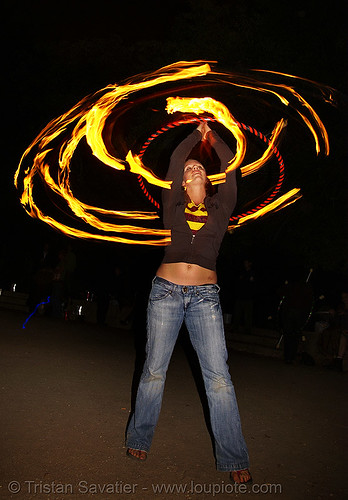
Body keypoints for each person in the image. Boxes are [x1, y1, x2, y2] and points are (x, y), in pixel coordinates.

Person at [125, 122, 251, 484]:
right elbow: (177, 156)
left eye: (199, 166)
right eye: (188, 169)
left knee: (219, 378)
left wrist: (213, 137)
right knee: (153, 369)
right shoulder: (172, 202)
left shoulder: (221, 206)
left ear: (206, 179)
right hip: (165, 291)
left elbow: (232, 168)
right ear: (181, 181)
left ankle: (234, 456)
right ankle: (140, 436)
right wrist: (196, 135)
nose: (193, 167)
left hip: (205, 298)